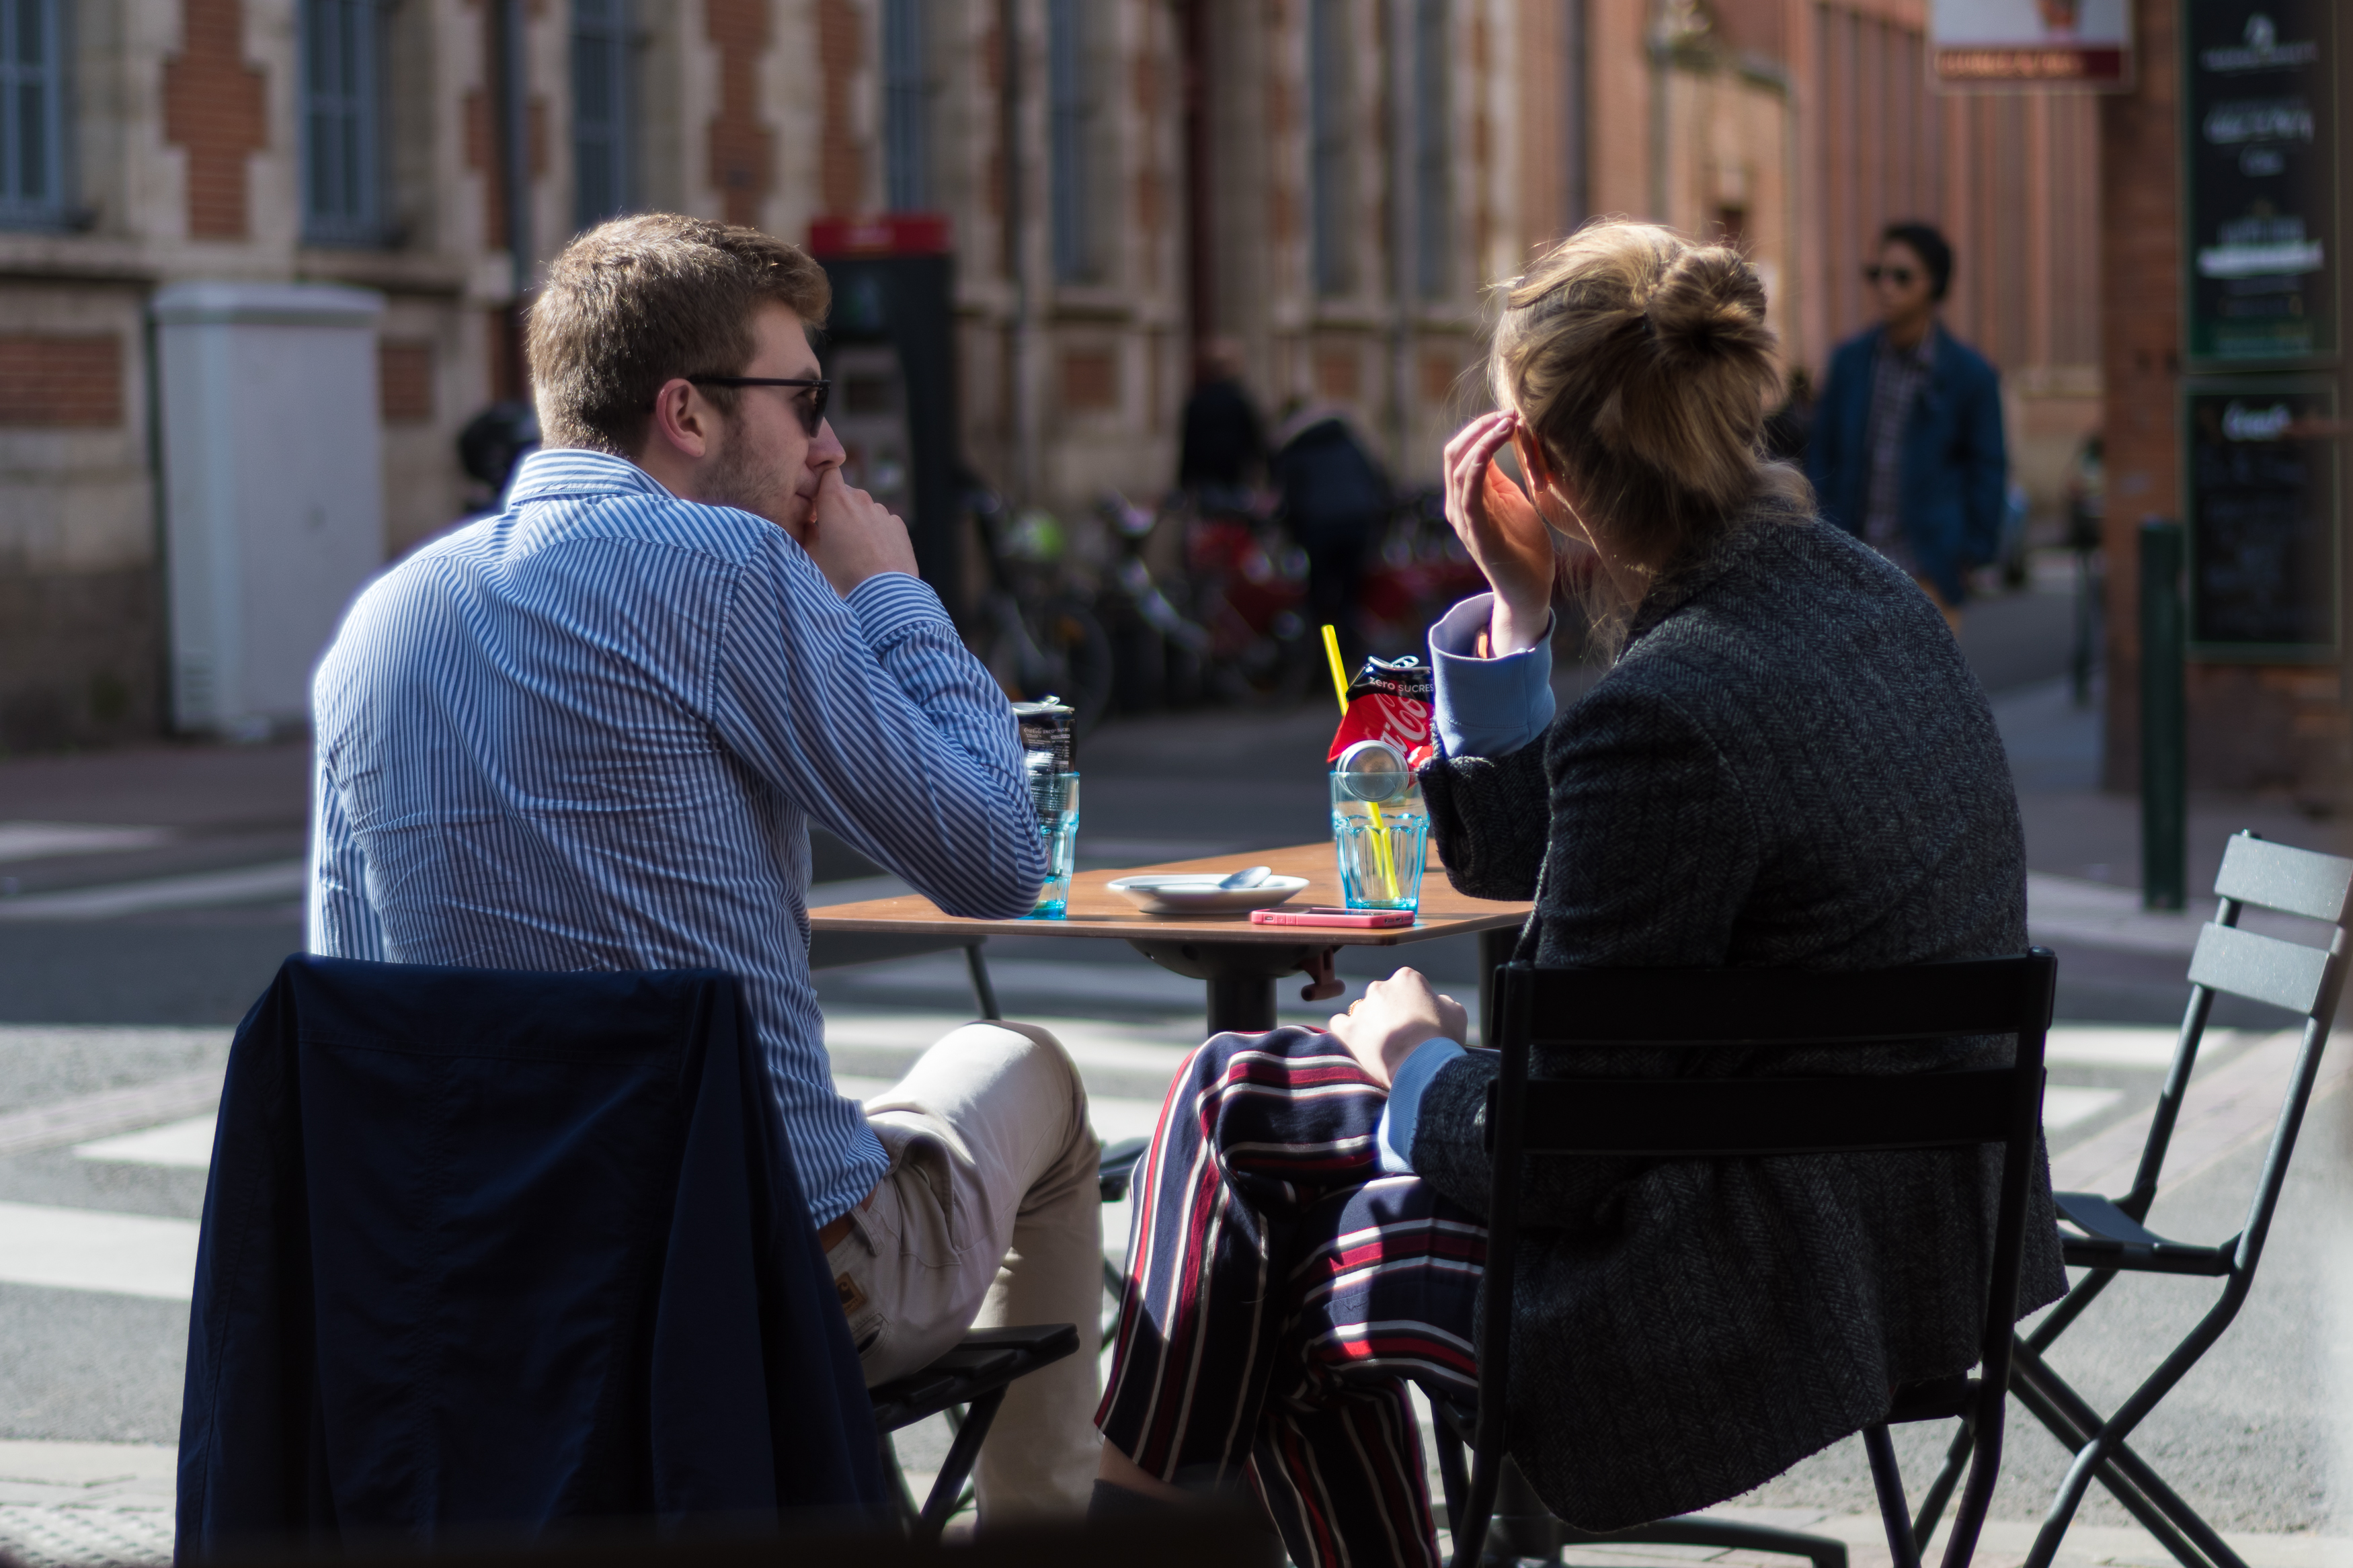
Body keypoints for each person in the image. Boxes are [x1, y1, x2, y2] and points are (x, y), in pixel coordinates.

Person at [1089, 220, 2066, 1567]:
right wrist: (1512, 607)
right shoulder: (1866, 600)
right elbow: (1521, 855)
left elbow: (1552, 1163)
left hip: (1742, 1280)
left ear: (1535, 462)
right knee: (1232, 1095)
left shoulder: (1675, 708)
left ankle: (1117, 1529)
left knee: (1271, 1263)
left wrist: (1415, 1049)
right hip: (1925, 1227)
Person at [309, 214, 1103, 1521]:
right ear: (685, 410)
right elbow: (997, 856)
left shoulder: (372, 632)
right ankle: (1037, 1524)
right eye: (804, 401)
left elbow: (358, 1015)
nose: (831, 445)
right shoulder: (728, 569)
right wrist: (891, 593)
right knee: (1031, 1073)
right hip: (777, 1282)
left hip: (504, 1305)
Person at [1806, 221, 2007, 633]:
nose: (1885, 287)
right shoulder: (1850, 363)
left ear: (1933, 285)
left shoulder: (1970, 376)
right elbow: (1821, 455)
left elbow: (1989, 468)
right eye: (1876, 274)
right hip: (1851, 570)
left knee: (1922, 698)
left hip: (1928, 574)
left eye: (1901, 276)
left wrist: (1969, 556)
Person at [1271, 402, 1390, 667]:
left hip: (1319, 529)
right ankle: (1352, 657)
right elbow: (1377, 480)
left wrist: (1292, 534)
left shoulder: (1296, 450)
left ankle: (1321, 662)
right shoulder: (1350, 443)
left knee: (1319, 597)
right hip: (1358, 525)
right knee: (1350, 596)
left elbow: (1289, 499)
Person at [1176, 337, 1267, 518]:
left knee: (1211, 530)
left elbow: (1188, 444)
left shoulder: (1198, 401)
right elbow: (1254, 440)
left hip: (1208, 478)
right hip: (1235, 475)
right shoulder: (1240, 400)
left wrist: (1184, 482)